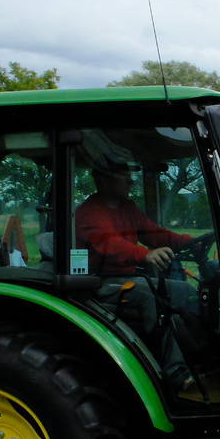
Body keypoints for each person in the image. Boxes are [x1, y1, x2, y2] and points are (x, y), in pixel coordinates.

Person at [75, 163, 198, 393]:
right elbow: (109, 243)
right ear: (103, 179)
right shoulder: (89, 212)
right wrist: (145, 255)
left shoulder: (127, 208)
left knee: (187, 292)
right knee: (150, 295)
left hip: (129, 278)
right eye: (124, 175)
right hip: (99, 283)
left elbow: (153, 233)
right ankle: (176, 374)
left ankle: (204, 358)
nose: (131, 181)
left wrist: (187, 241)